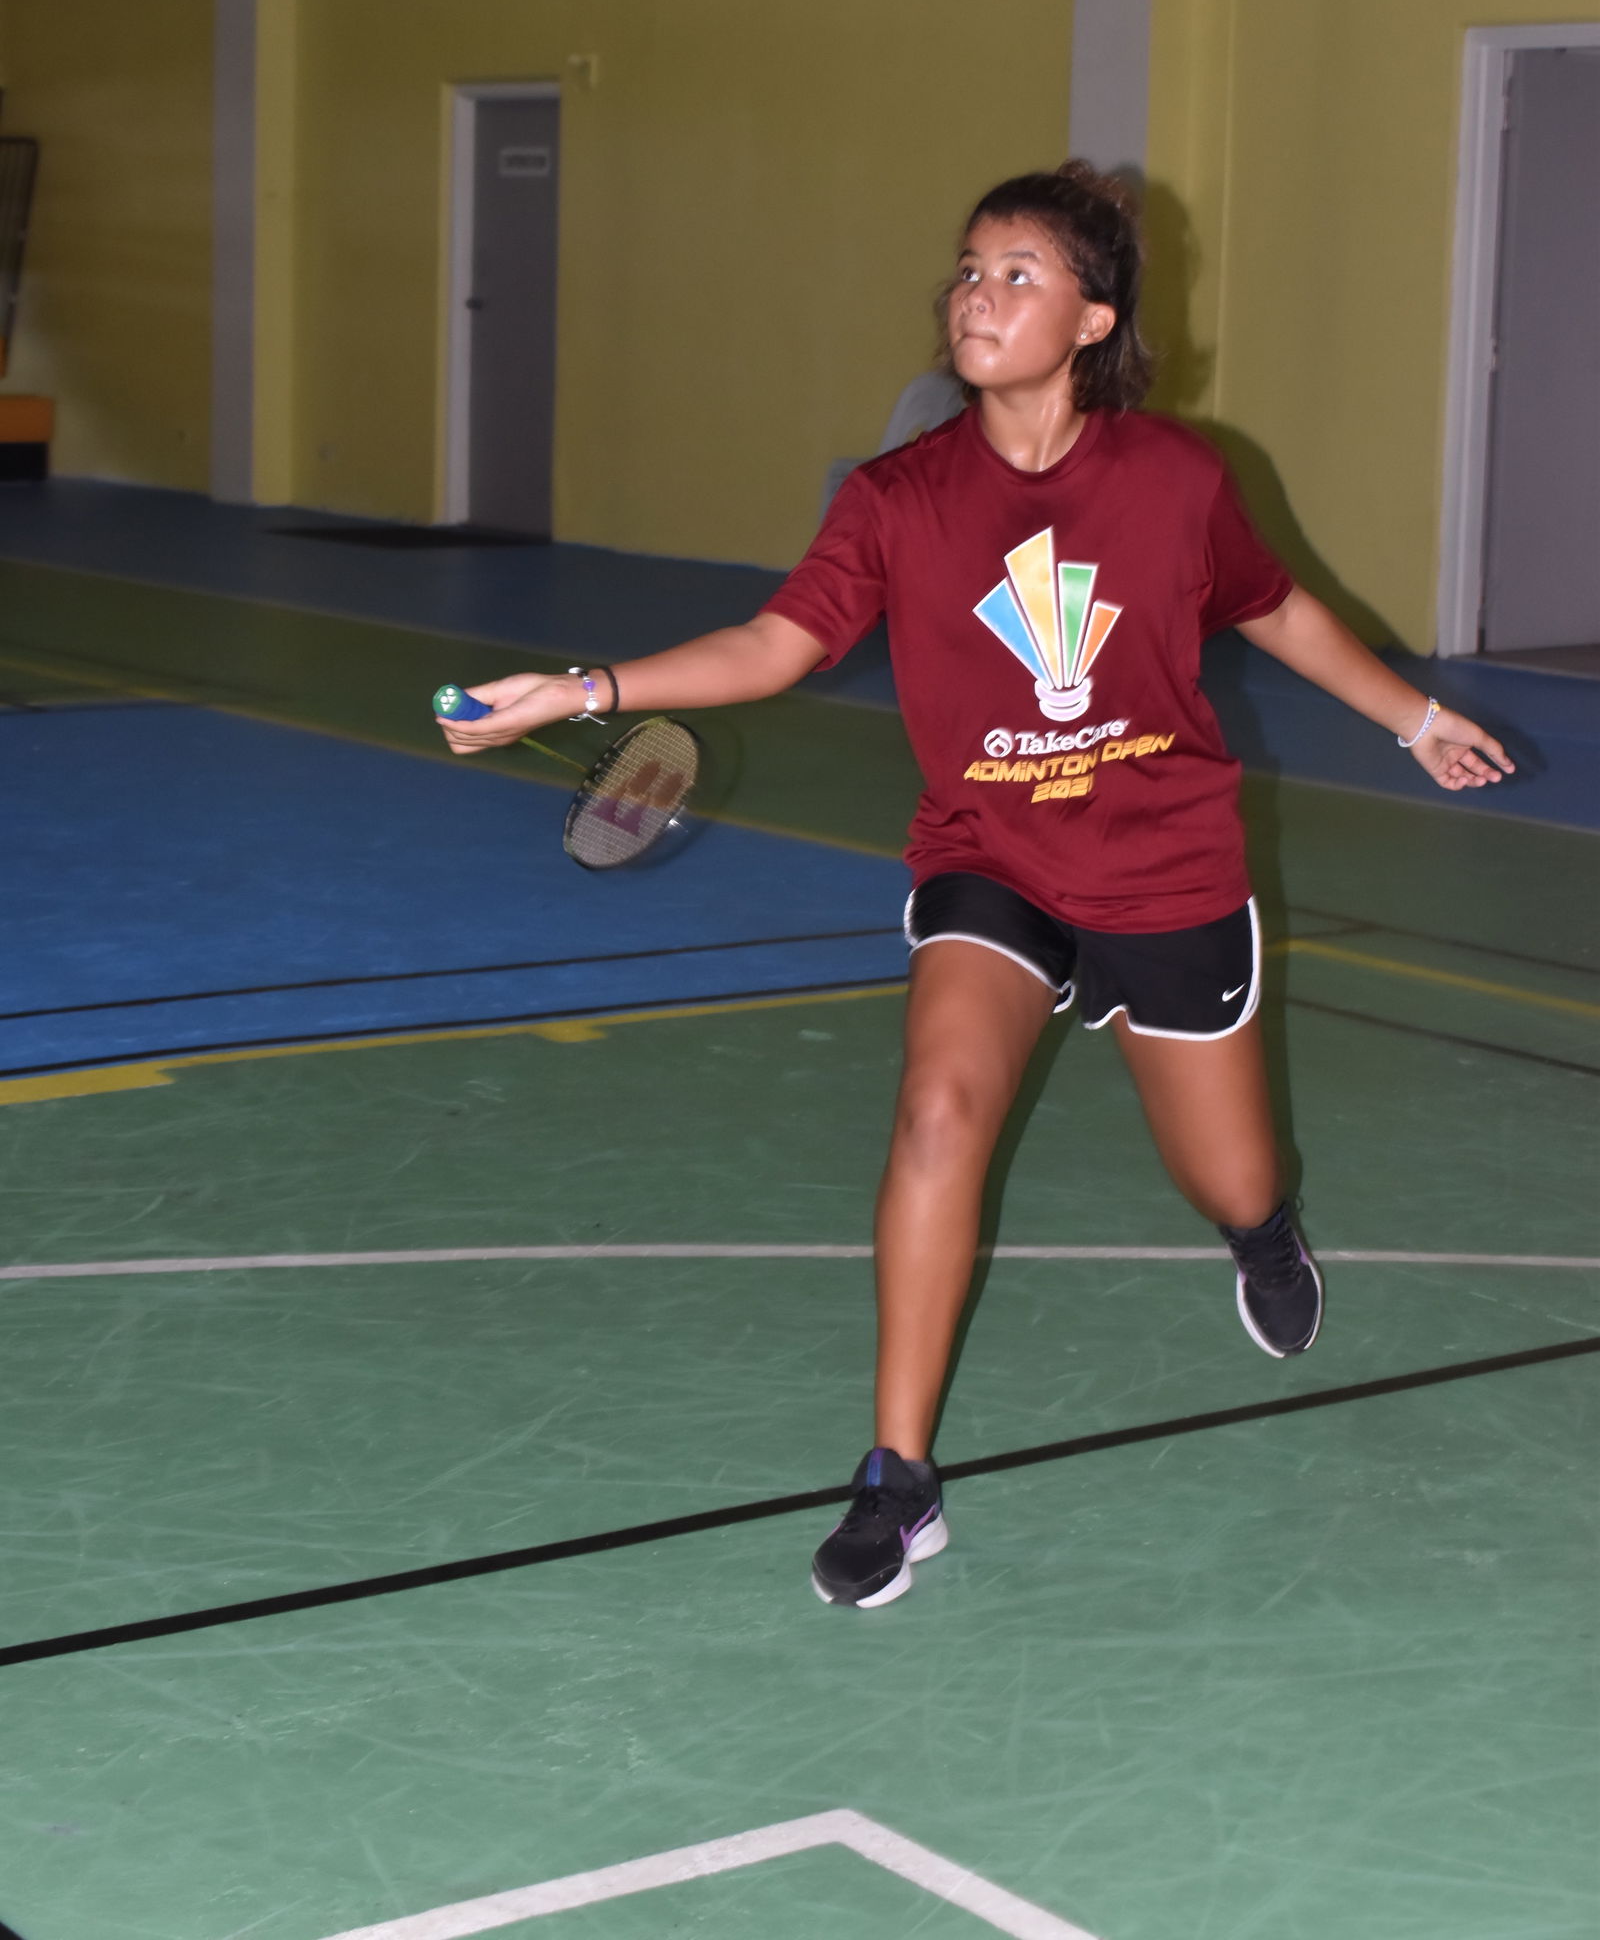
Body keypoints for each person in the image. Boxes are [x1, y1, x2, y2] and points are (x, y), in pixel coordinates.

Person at [438, 160, 1514, 1612]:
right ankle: (899, 1478)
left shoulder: (1177, 480)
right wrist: (580, 689)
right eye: (966, 269)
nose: (977, 295)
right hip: (992, 860)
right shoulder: (898, 497)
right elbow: (776, 646)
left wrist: (1414, 717)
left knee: (1229, 1169)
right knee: (940, 1107)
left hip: (1165, 864)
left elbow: (1278, 608)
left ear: (1093, 318)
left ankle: (1261, 1231)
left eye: (1018, 273)